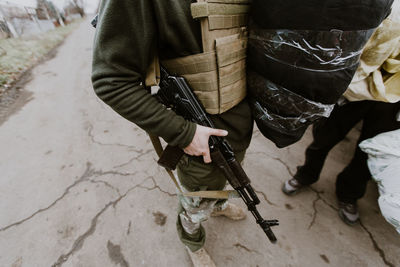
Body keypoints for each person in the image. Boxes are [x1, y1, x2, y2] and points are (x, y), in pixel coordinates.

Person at [91, 1, 253, 266]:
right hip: (198, 141)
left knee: (223, 183)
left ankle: (218, 205)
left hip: (238, 127)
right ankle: (193, 242)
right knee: (196, 203)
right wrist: (184, 133)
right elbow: (111, 81)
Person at [282, 14, 400, 225]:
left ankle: (349, 194)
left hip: (394, 98)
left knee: (370, 151)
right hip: (357, 82)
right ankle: (306, 174)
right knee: (324, 136)